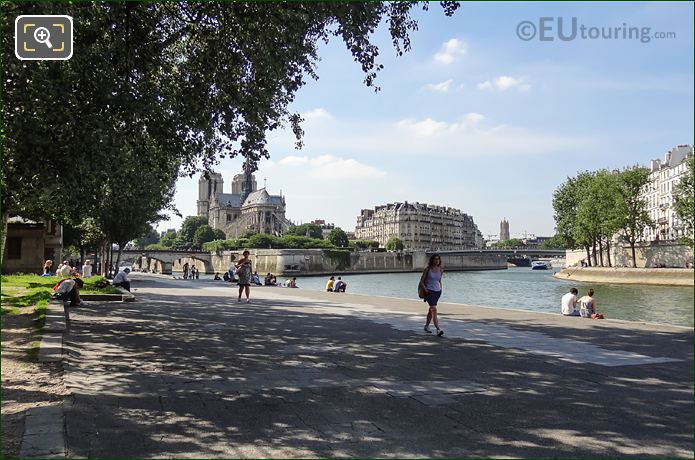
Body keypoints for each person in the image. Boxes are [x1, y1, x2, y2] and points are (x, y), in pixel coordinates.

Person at [419, 254, 444, 337]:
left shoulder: (440, 269)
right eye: (435, 259)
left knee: (431, 310)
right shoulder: (427, 269)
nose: (437, 261)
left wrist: (441, 288)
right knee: (434, 309)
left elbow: (439, 280)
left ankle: (426, 326)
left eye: (438, 259)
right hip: (429, 291)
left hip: (437, 292)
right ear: (432, 260)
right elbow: (421, 281)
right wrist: (425, 289)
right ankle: (438, 329)